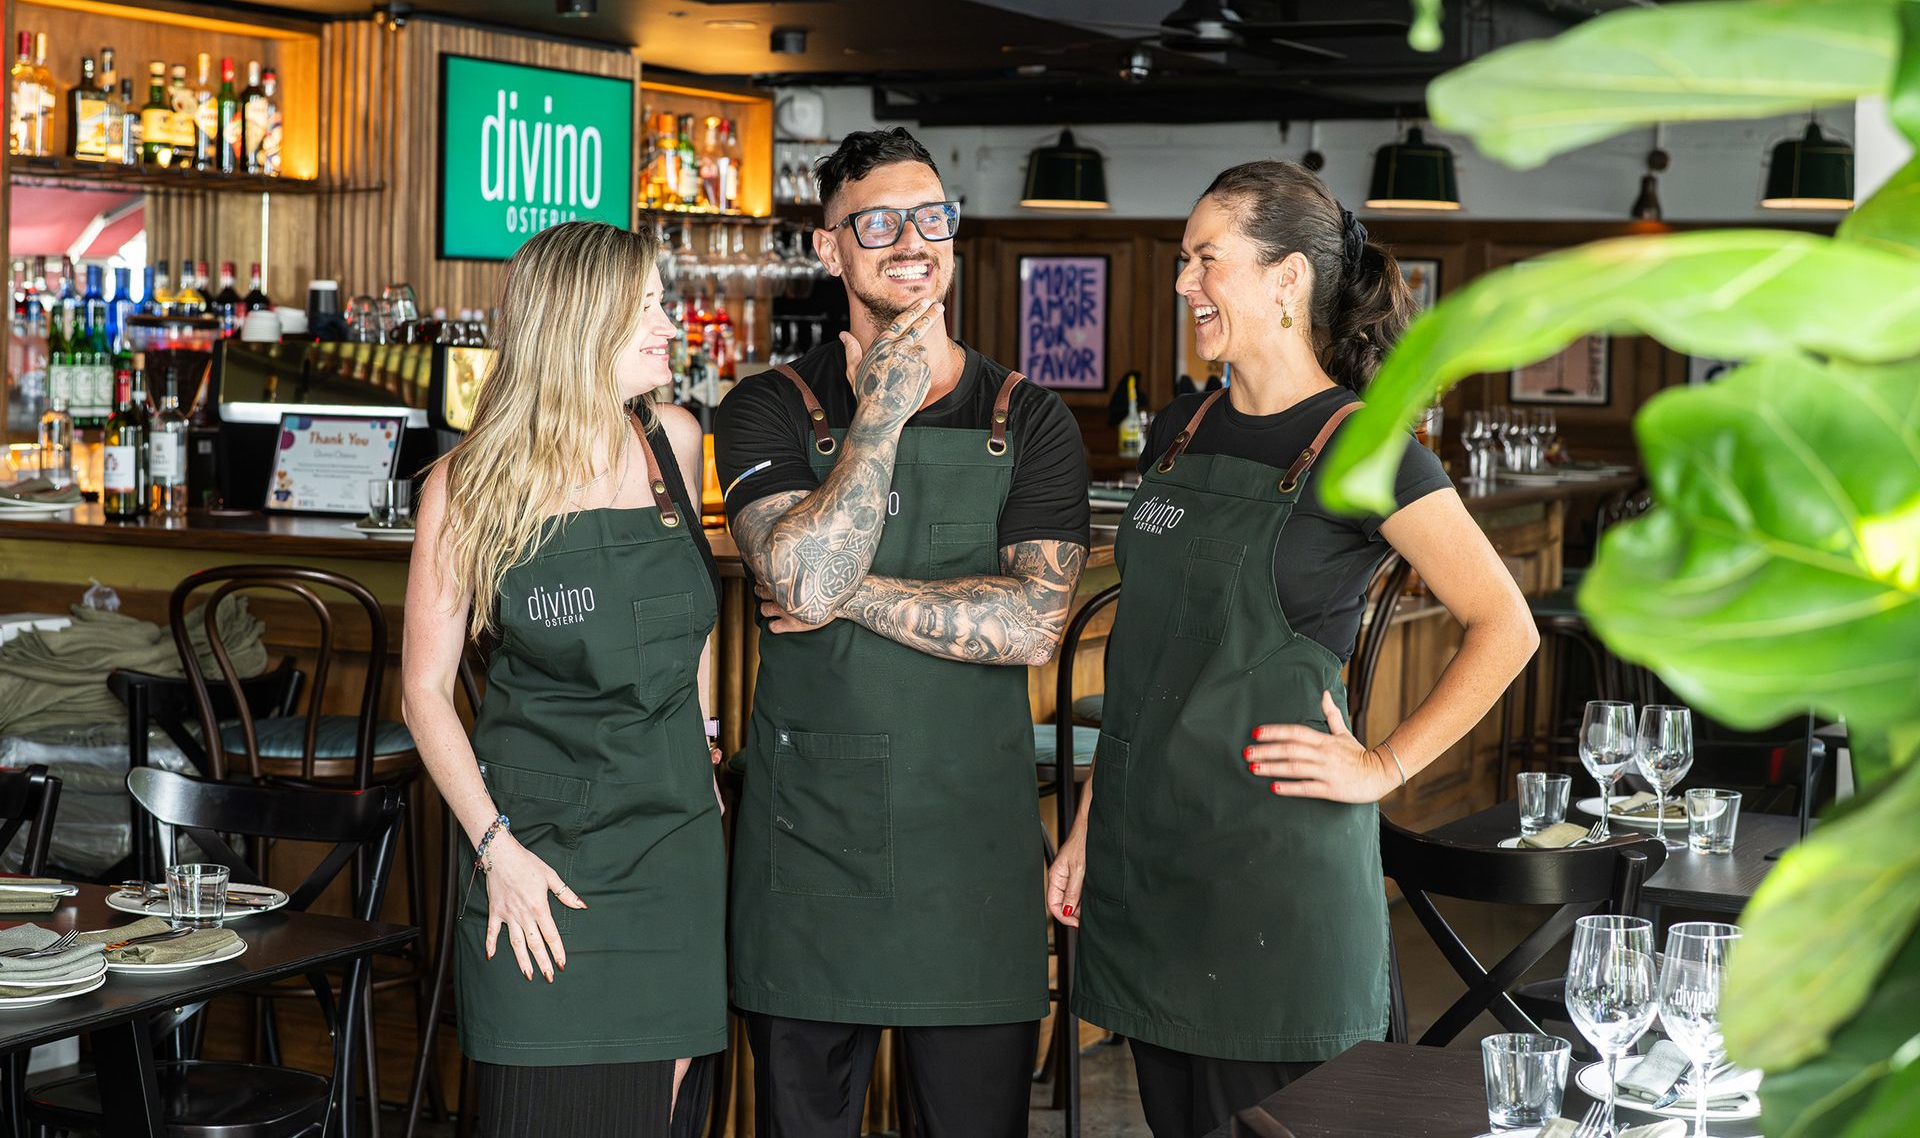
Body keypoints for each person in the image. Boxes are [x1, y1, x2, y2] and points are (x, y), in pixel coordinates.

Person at [1047, 160, 1539, 1137]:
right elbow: (1148, 658)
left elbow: (1506, 624)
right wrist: (1091, 822)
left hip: (1271, 874)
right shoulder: (1179, 432)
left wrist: (1385, 763)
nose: (1184, 283)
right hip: (1152, 854)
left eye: (1206, 260)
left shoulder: (1369, 450)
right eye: (1183, 261)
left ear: (1287, 282)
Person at [715, 127, 1091, 1137]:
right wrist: (878, 412)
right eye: (876, 221)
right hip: (806, 854)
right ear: (829, 247)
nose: (911, 240)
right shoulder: (764, 406)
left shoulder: (1033, 416)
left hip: (969, 851)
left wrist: (851, 590)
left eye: (932, 216)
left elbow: (1034, 623)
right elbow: (793, 571)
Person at [403, 221, 726, 1138]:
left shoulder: (676, 444)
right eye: (650, 307)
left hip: (675, 845)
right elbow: (423, 692)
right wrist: (494, 849)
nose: (672, 325)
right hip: (535, 853)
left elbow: (689, 626)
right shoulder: (470, 485)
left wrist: (704, 748)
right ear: (582, 324)